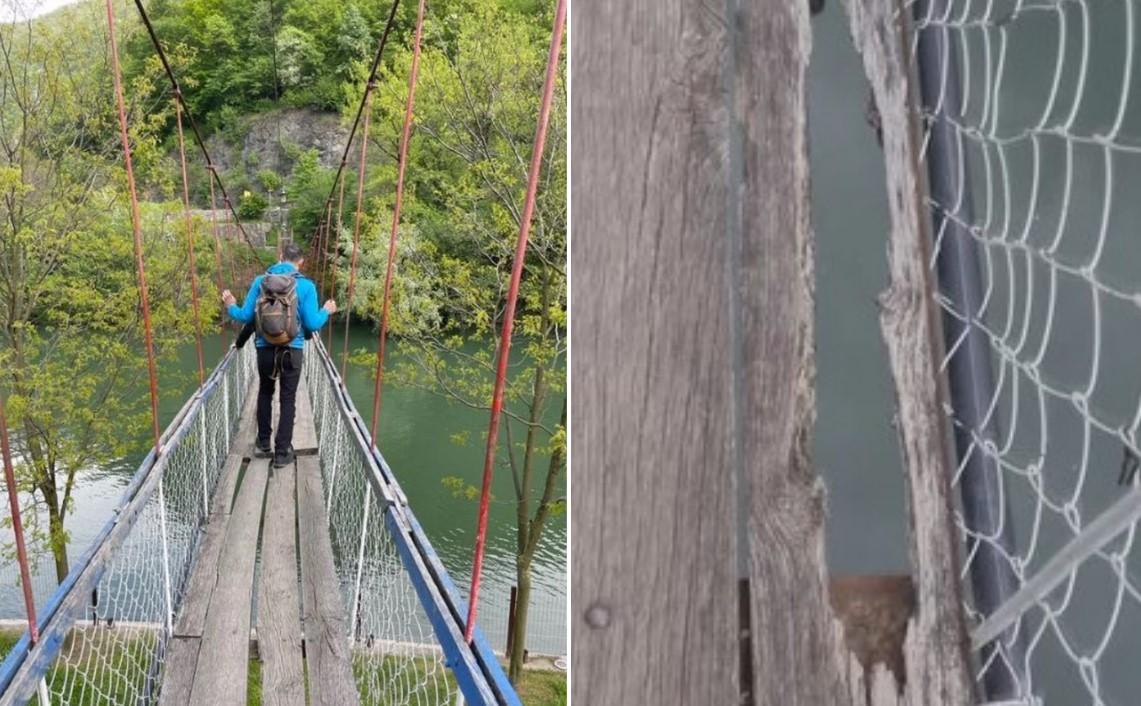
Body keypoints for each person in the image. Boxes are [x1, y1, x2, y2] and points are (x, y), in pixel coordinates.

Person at [222, 243, 336, 468]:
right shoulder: (306, 286)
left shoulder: (260, 282)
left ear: (280, 256)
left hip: (264, 349)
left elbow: (245, 316)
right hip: (292, 351)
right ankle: (282, 453)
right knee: (288, 398)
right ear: (301, 261)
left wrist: (229, 304)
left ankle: (263, 443)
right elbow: (312, 323)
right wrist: (327, 311)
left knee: (265, 391)